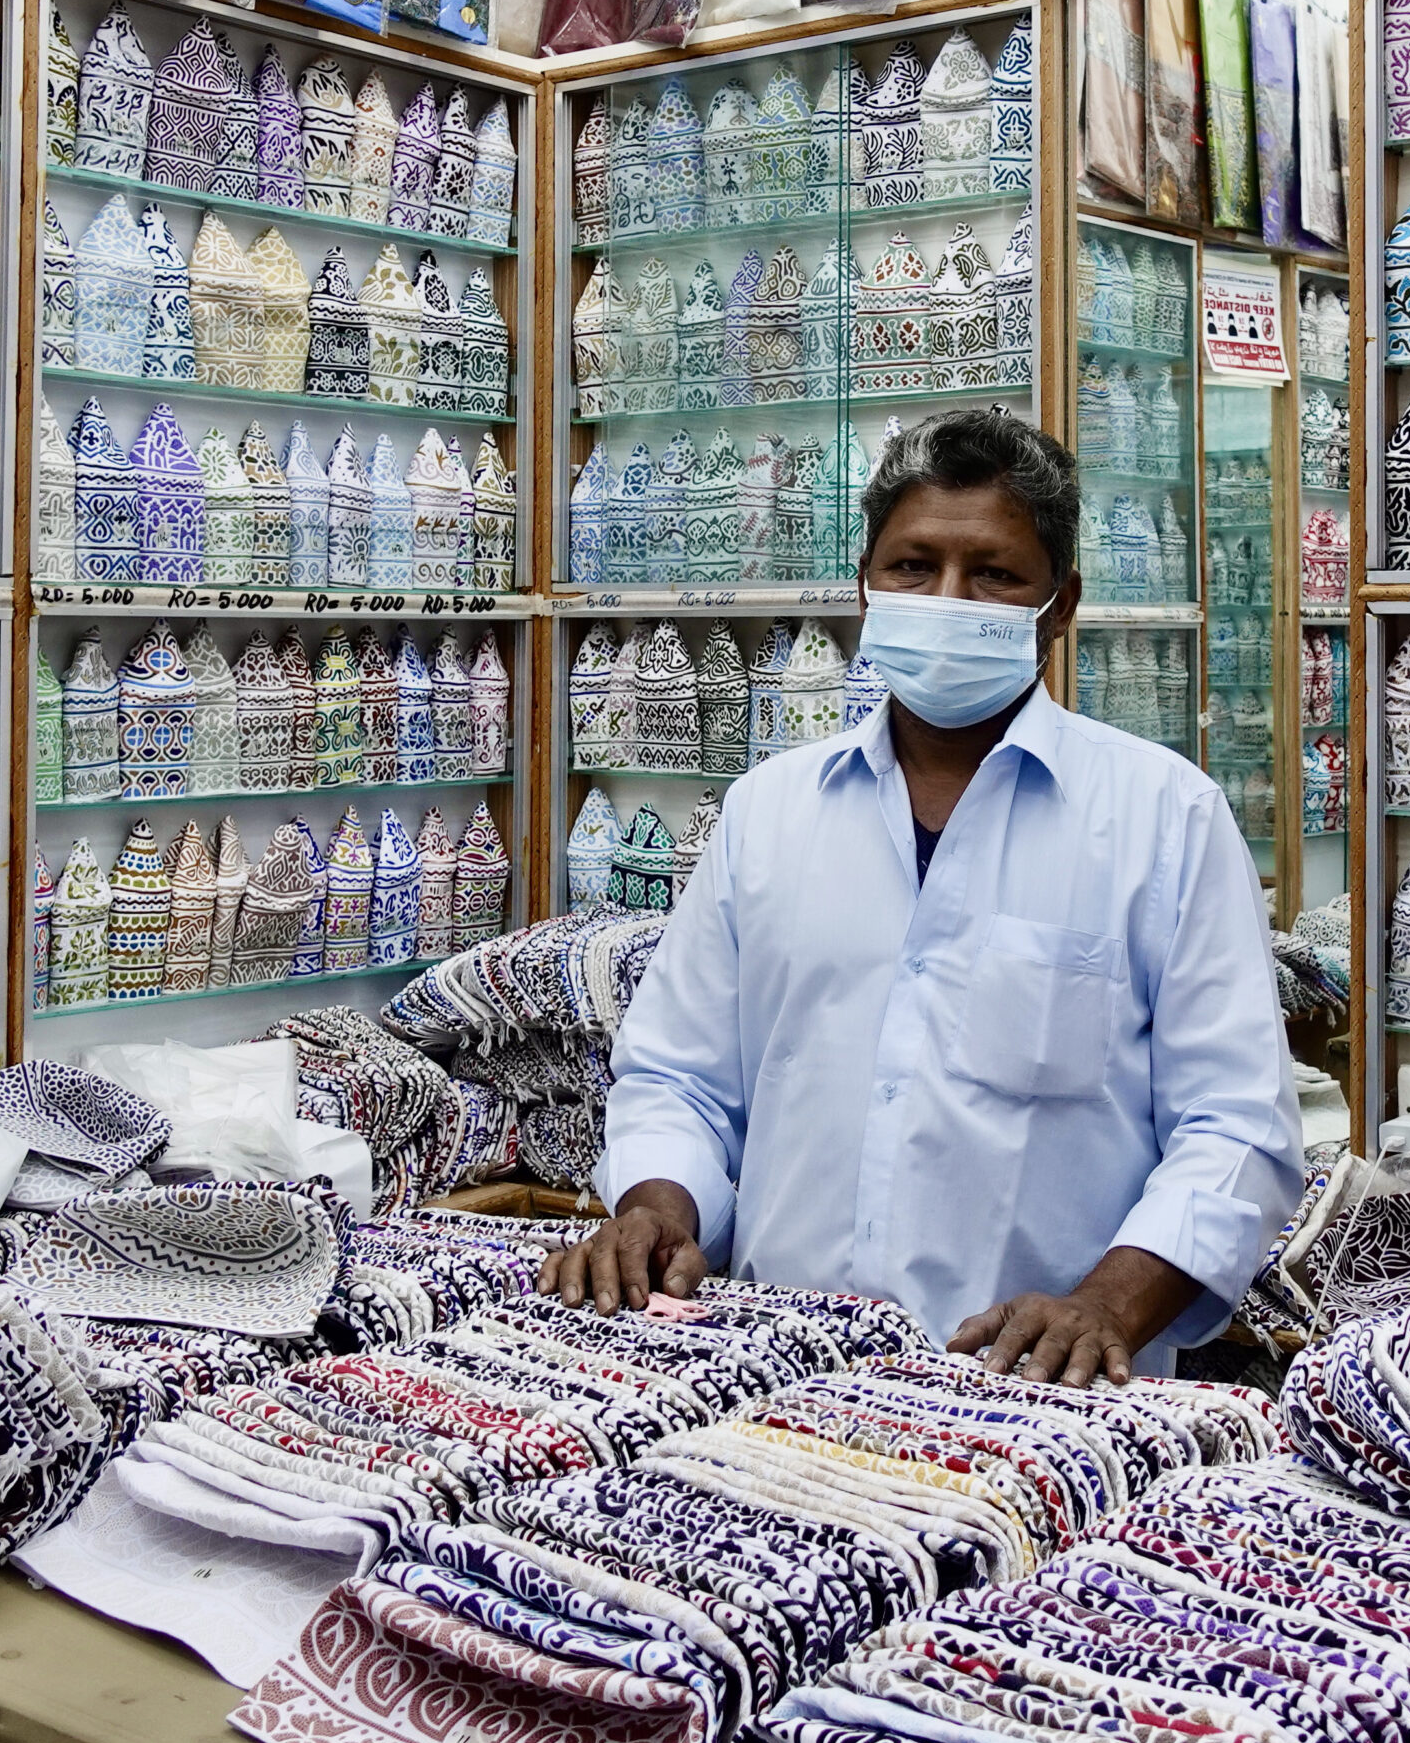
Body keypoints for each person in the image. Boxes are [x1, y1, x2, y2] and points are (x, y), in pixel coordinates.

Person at [543, 410, 1302, 1385]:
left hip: (1034, 1399)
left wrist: (1107, 1303)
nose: (948, 597)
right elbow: (680, 1076)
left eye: (993, 574)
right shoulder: (768, 814)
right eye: (913, 565)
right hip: (771, 1372)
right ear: (866, 586)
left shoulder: (1166, 823)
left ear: (1059, 605)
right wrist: (657, 1206)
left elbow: (1236, 1128)